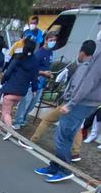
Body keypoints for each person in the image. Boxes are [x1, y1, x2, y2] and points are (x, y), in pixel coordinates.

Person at [34, 32, 101, 182]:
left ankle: (63, 169)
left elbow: (86, 83)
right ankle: (55, 165)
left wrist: (70, 103)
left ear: (82, 52)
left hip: (80, 103)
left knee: (62, 135)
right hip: (84, 102)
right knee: (67, 134)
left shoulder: (91, 61)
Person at [0, 39, 38, 140]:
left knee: (5, 112)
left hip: (11, 88)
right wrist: (34, 88)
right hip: (22, 92)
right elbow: (34, 77)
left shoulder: (19, 57)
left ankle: (10, 130)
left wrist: (2, 82)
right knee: (7, 110)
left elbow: (8, 72)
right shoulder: (35, 62)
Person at [13, 31, 57, 130]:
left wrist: (48, 74)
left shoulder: (50, 53)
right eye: (51, 40)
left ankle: (23, 119)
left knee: (33, 103)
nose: (53, 42)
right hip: (33, 81)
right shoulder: (39, 53)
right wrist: (43, 73)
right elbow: (32, 68)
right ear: (45, 40)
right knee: (26, 102)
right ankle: (17, 121)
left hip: (41, 83)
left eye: (54, 40)